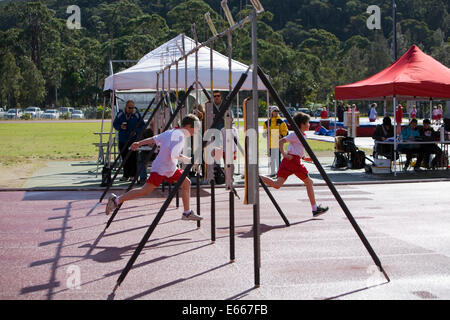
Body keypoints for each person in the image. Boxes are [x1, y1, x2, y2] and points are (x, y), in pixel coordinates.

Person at [106, 114, 203, 221]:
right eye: (195, 129)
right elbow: (174, 155)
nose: (195, 132)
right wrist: (190, 160)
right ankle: (116, 200)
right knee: (145, 190)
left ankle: (187, 213)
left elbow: (154, 139)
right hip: (161, 168)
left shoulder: (171, 132)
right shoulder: (180, 136)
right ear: (188, 126)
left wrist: (139, 143)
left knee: (186, 183)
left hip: (169, 168)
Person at [260, 112, 329, 217]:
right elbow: (281, 141)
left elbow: (297, 149)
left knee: (277, 184)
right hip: (292, 161)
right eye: (308, 123)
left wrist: (304, 157)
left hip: (290, 161)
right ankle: (315, 209)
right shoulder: (295, 134)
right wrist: (284, 154)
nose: (309, 125)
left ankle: (257, 176)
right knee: (309, 182)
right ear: (302, 124)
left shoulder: (301, 135)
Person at [113, 100, 145, 181]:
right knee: (124, 158)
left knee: (133, 158)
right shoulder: (120, 114)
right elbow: (115, 124)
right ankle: (125, 175)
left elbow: (142, 125)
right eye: (129, 107)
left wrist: (136, 132)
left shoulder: (137, 114)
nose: (131, 109)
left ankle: (133, 175)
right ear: (125, 107)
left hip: (133, 140)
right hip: (123, 139)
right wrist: (120, 127)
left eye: (132, 107)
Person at [263, 106, 289, 176]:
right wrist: (266, 132)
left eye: (277, 111)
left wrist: (281, 135)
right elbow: (264, 134)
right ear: (271, 112)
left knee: (278, 158)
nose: (276, 112)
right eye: (275, 111)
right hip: (271, 143)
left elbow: (285, 131)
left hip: (278, 142)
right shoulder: (267, 122)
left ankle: (279, 173)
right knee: (272, 158)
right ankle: (272, 172)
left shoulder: (281, 121)